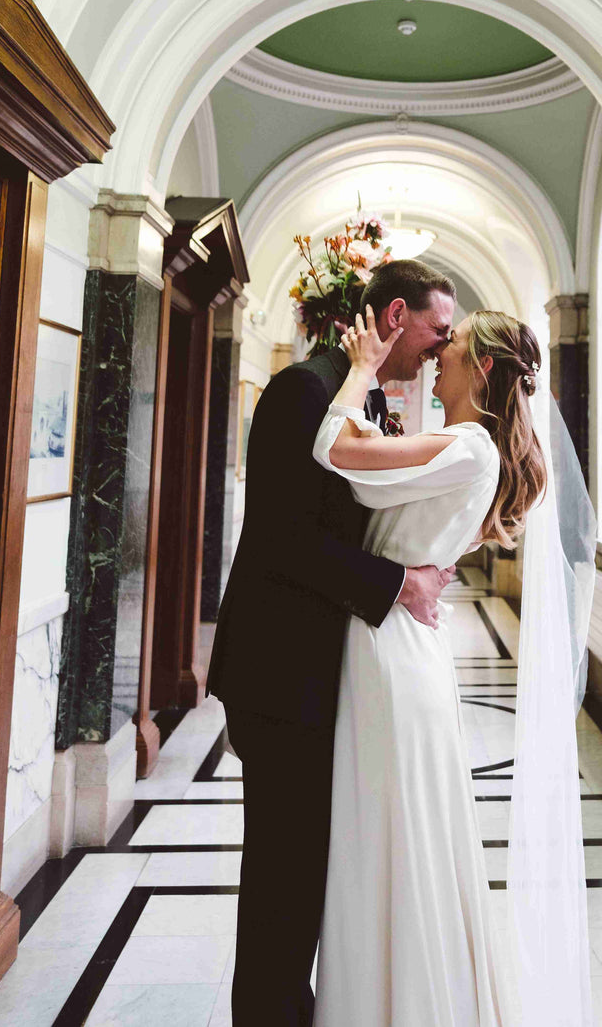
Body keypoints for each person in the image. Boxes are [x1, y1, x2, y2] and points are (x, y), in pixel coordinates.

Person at [206, 258, 459, 1026]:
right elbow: (284, 536)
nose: (439, 348)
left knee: (306, 870)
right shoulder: (302, 390)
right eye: (435, 330)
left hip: (313, 673)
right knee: (285, 877)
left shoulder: (356, 393)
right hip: (281, 678)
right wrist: (397, 584)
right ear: (393, 319)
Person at [310, 304, 550, 1026]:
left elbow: (335, 449)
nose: (440, 352)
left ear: (480, 368)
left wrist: (358, 371)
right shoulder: (465, 443)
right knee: (391, 841)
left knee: (392, 845)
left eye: (455, 345)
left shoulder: (470, 447)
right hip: (397, 645)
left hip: (389, 652)